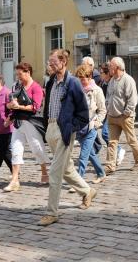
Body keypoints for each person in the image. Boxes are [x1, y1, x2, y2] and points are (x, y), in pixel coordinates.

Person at [39, 49, 97, 226]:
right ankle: (87, 191)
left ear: (64, 62)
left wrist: (71, 128)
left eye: (54, 61)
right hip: (50, 128)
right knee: (66, 169)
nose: (50, 65)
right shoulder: (50, 82)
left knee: (55, 172)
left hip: (64, 130)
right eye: (49, 62)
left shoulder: (73, 83)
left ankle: (52, 213)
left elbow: (83, 114)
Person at [3, 62, 50, 192]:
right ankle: (14, 180)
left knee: (37, 149)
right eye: (17, 74)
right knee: (16, 149)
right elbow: (9, 103)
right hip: (18, 123)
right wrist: (10, 110)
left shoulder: (36, 88)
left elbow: (36, 107)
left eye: (20, 74)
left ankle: (45, 172)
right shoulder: (16, 87)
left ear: (28, 72)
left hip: (31, 123)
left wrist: (20, 107)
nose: (18, 77)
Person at [104, 57, 138, 174]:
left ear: (117, 67)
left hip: (125, 117)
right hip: (112, 116)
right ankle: (110, 165)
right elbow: (108, 96)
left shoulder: (128, 80)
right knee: (112, 142)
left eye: (111, 66)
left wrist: (126, 113)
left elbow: (133, 99)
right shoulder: (111, 81)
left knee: (131, 140)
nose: (109, 68)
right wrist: (108, 108)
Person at [74, 65, 106, 184]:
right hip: (79, 127)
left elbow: (102, 110)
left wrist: (96, 123)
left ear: (90, 77)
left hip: (91, 128)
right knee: (90, 153)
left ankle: (79, 181)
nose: (82, 81)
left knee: (83, 155)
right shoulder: (78, 90)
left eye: (84, 78)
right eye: (80, 78)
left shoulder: (97, 91)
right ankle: (101, 173)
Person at [98, 63, 125, 165]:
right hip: (105, 112)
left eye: (101, 73)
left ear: (107, 74)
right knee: (105, 134)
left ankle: (119, 150)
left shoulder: (111, 83)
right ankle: (115, 154)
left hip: (112, 112)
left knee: (105, 133)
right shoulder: (103, 83)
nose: (100, 75)